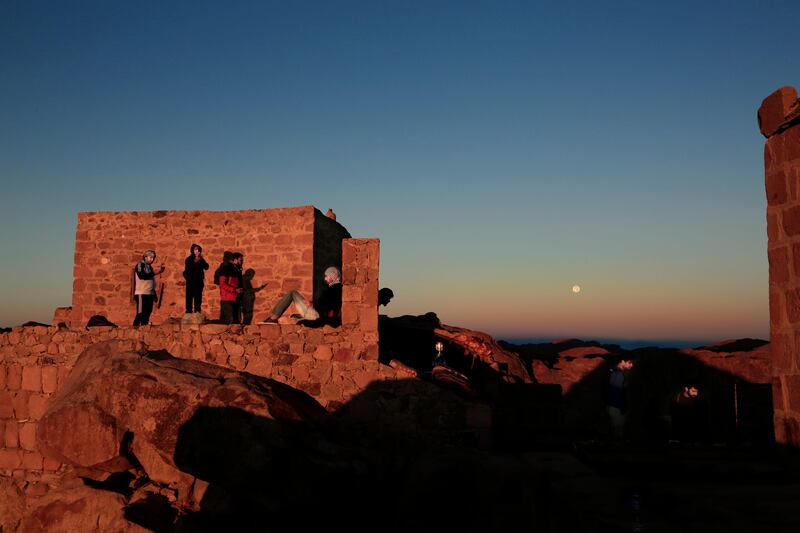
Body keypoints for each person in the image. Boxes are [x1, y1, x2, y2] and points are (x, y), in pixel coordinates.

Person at [261, 266, 342, 326]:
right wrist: (312, 303)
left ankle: (273, 318)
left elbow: (328, 306)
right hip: (317, 312)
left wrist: (313, 305)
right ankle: (275, 318)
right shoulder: (335, 288)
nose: (325, 278)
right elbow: (326, 303)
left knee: (292, 293)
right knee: (294, 309)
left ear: (332, 277)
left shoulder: (334, 289)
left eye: (327, 276)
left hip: (317, 314)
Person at [132, 250, 164, 326]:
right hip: (141, 293)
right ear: (145, 257)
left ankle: (144, 329)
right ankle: (135, 329)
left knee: (148, 312)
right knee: (140, 313)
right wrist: (156, 273)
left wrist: (154, 294)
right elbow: (142, 276)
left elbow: (151, 281)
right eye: (150, 257)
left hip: (149, 293)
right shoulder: (140, 265)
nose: (152, 260)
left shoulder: (150, 267)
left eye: (153, 258)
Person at [606, 355, 634, 440]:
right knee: (618, 431)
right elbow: (617, 392)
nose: (632, 365)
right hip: (616, 407)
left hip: (613, 405)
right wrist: (622, 407)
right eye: (629, 362)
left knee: (616, 430)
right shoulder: (617, 374)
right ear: (622, 361)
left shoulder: (615, 372)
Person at [183, 243, 209, 314]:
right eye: (195, 249)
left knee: (198, 298)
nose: (197, 251)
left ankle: (197, 311)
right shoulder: (189, 259)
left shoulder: (201, 259)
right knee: (189, 298)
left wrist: (201, 260)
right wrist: (195, 261)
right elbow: (189, 269)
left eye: (198, 249)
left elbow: (206, 267)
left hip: (199, 282)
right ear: (192, 250)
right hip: (190, 282)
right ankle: (188, 312)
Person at [218, 253, 243, 324]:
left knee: (236, 323)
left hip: (236, 298)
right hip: (227, 299)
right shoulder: (226, 268)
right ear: (235, 260)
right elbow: (222, 284)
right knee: (229, 323)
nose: (242, 262)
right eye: (240, 260)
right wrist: (234, 290)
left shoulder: (237, 269)